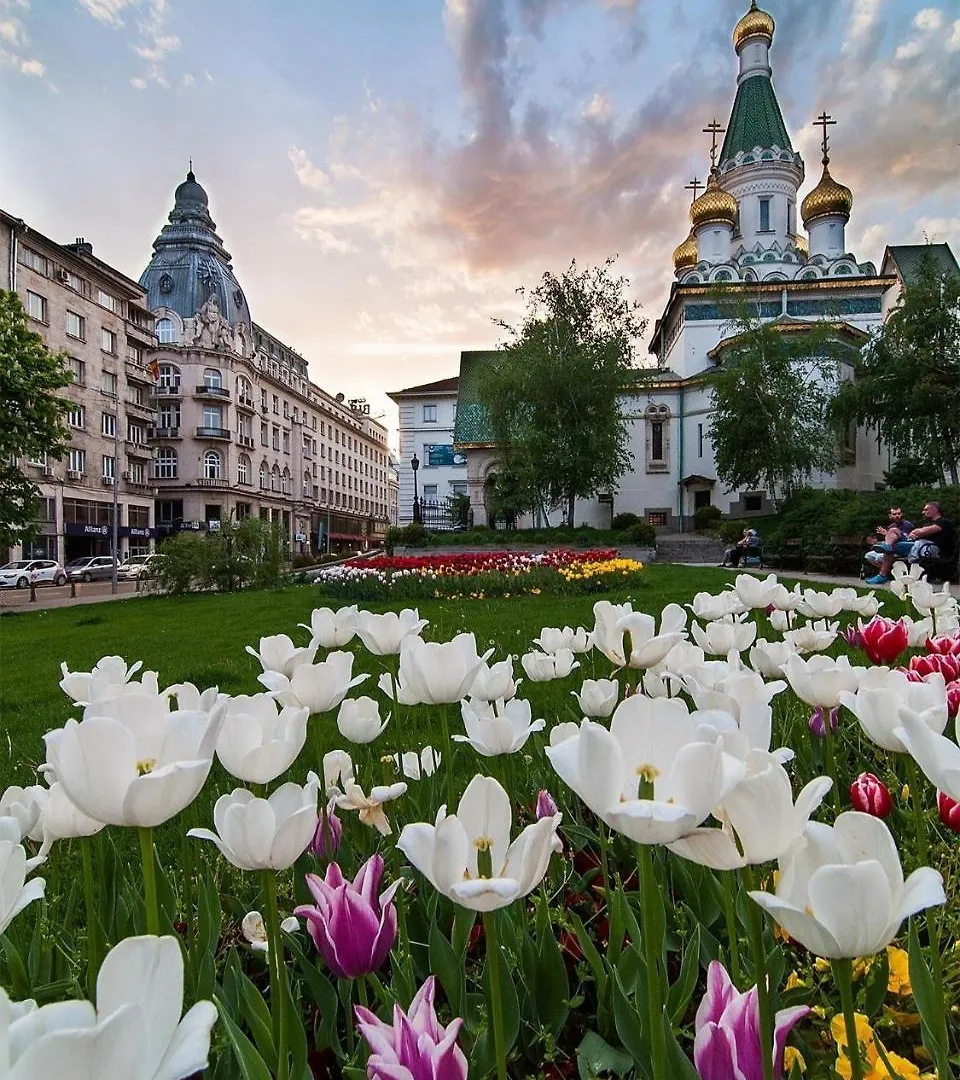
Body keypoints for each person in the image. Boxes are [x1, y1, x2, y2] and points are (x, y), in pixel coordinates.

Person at [866, 501, 954, 585]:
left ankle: (883, 574)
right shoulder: (928, 524)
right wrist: (917, 533)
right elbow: (915, 534)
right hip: (918, 545)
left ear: (935, 510)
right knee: (893, 532)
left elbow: (920, 532)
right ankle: (886, 547)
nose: (923, 512)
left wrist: (918, 532)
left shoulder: (944, 522)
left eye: (926, 509)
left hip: (931, 549)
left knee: (891, 543)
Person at [863, 506, 914, 573]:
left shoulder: (907, 525)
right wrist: (876, 542)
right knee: (869, 555)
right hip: (891, 548)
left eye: (899, 513)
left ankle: (886, 572)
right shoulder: (891, 526)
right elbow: (889, 541)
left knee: (878, 557)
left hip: (902, 549)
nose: (897, 516)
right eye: (894, 514)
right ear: (890, 516)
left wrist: (886, 533)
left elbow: (904, 540)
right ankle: (890, 571)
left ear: (902, 514)